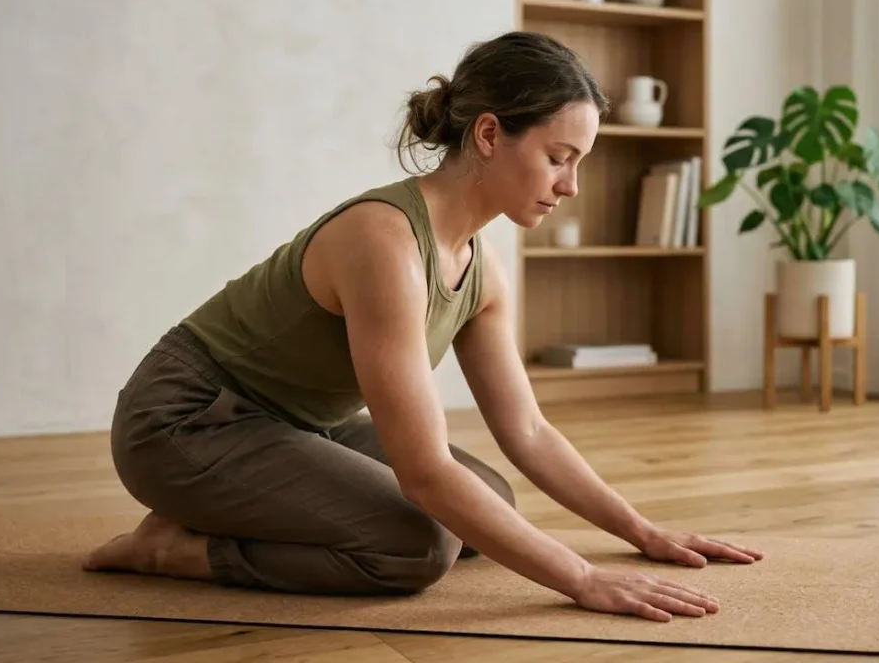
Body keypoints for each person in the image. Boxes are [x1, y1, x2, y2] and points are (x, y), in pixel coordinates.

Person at [82, 30, 762, 623]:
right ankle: (174, 547)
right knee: (415, 544)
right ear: (490, 134)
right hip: (183, 421)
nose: (571, 186)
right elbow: (424, 474)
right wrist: (582, 579)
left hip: (289, 422)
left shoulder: (482, 270)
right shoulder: (385, 243)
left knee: (490, 500)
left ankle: (232, 506)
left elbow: (526, 430)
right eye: (559, 157)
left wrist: (641, 531)